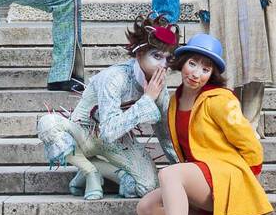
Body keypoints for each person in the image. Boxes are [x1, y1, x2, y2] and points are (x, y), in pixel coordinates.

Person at [137, 33, 272, 215]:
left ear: (212, 74)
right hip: (203, 178)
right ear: (182, 62)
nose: (196, 73)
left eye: (206, 68)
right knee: (146, 209)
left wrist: (245, 190)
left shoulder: (219, 100)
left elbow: (251, 146)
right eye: (193, 64)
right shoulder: (174, 101)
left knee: (170, 174)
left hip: (226, 177)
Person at [37, 15, 178, 201]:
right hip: (83, 133)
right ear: (139, 54)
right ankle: (89, 171)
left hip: (116, 142)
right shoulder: (114, 77)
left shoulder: (158, 86)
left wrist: (180, 166)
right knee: (48, 124)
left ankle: (107, 171)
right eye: (157, 56)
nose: (163, 65)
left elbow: (164, 131)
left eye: (167, 59)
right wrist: (147, 99)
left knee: (148, 187)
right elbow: (109, 131)